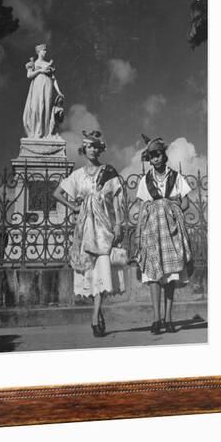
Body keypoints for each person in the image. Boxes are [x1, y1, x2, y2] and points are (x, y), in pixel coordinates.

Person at [53, 130, 125, 337]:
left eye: (96, 146)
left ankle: (94, 316)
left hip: (104, 227)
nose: (92, 149)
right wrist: (73, 207)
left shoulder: (108, 172)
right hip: (85, 227)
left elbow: (118, 200)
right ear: (84, 149)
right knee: (90, 271)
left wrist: (119, 223)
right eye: (89, 146)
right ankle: (98, 311)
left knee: (103, 268)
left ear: (100, 148)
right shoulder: (77, 175)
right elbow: (57, 193)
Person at [133, 135, 192, 335]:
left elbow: (185, 203)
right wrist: (138, 233)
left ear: (163, 155)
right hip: (151, 231)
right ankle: (156, 318)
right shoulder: (145, 180)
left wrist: (172, 206)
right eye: (151, 156)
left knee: (170, 276)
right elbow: (142, 208)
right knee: (153, 276)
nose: (155, 159)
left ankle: (168, 318)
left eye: (158, 154)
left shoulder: (176, 177)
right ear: (149, 159)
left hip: (170, 231)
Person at [23, 44, 63, 138]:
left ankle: (46, 133)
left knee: (46, 108)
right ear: (38, 52)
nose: (45, 52)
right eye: (43, 50)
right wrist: (40, 71)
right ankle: (36, 132)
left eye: (45, 50)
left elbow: (54, 79)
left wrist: (59, 92)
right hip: (38, 86)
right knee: (36, 108)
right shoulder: (33, 63)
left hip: (47, 86)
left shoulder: (48, 64)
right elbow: (29, 75)